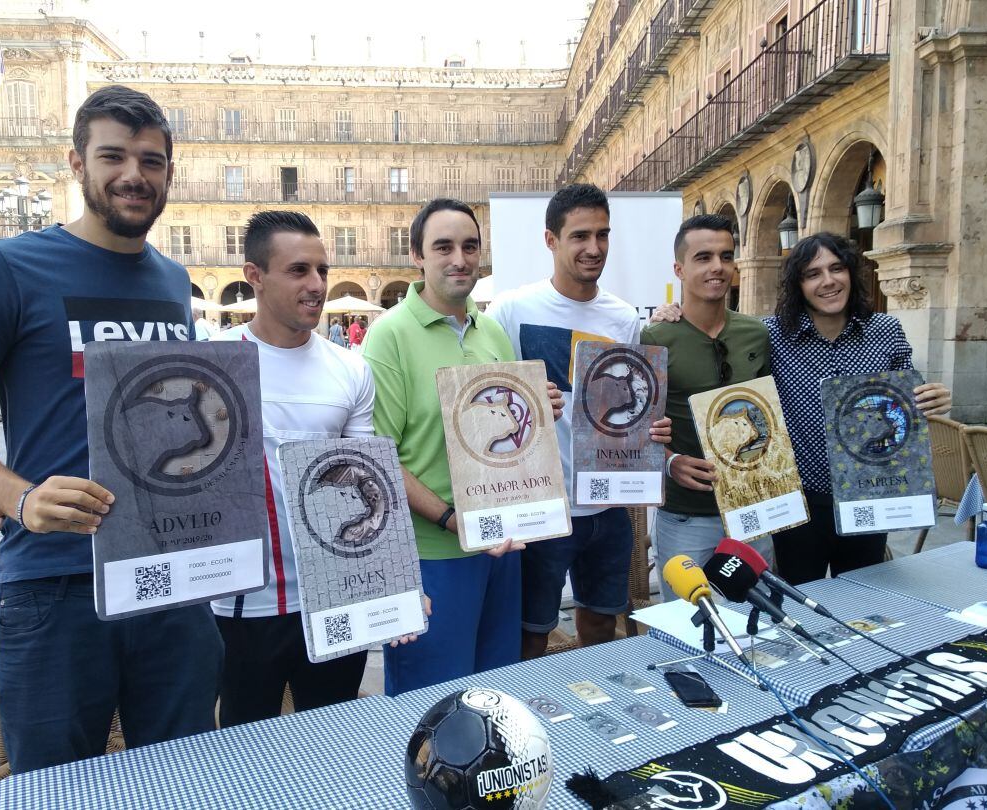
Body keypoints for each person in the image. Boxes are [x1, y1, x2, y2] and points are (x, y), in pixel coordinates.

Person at [0, 85, 223, 772]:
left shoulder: (171, 279)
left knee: (179, 781)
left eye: (152, 161)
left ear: (169, 175)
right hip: (56, 588)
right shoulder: (6, 269)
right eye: (113, 156)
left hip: (171, 578)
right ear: (75, 163)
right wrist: (18, 497)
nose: (134, 174)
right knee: (58, 790)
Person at [211, 210, 425, 726]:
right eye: (299, 270)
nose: (317, 285)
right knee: (246, 749)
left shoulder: (350, 368)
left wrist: (394, 583)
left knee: (331, 739)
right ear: (254, 276)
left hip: (335, 598)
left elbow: (368, 482)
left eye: (322, 270)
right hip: (242, 605)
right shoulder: (211, 361)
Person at [650, 231, 952, 583]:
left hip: (869, 496)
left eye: (836, 268)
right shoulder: (772, 334)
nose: (828, 281)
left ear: (851, 273)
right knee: (797, 603)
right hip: (797, 504)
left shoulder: (886, 331)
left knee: (866, 603)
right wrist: (670, 313)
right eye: (813, 274)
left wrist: (932, 400)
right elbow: (717, 330)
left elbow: (904, 403)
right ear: (799, 285)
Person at [362, 198, 562, 696]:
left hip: (500, 549)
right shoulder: (389, 337)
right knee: (430, 707)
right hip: (432, 555)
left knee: (493, 697)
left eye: (470, 246)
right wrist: (452, 518)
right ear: (417, 256)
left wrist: (537, 410)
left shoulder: (491, 329)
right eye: (443, 246)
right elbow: (378, 457)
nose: (459, 259)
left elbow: (508, 439)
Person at [486, 183, 671, 659]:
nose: (594, 248)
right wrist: (527, 400)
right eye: (580, 236)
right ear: (551, 240)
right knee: (532, 630)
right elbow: (493, 400)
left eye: (603, 235)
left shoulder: (623, 317)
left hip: (608, 505)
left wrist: (651, 432)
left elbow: (630, 406)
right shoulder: (512, 309)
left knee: (600, 621)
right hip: (541, 505)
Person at [640, 214, 775, 594]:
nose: (717, 266)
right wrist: (670, 461)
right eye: (703, 257)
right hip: (686, 516)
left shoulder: (756, 333)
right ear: (679, 269)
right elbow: (637, 428)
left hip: (752, 511)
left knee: (756, 625)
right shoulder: (655, 337)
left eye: (726, 256)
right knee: (688, 625)